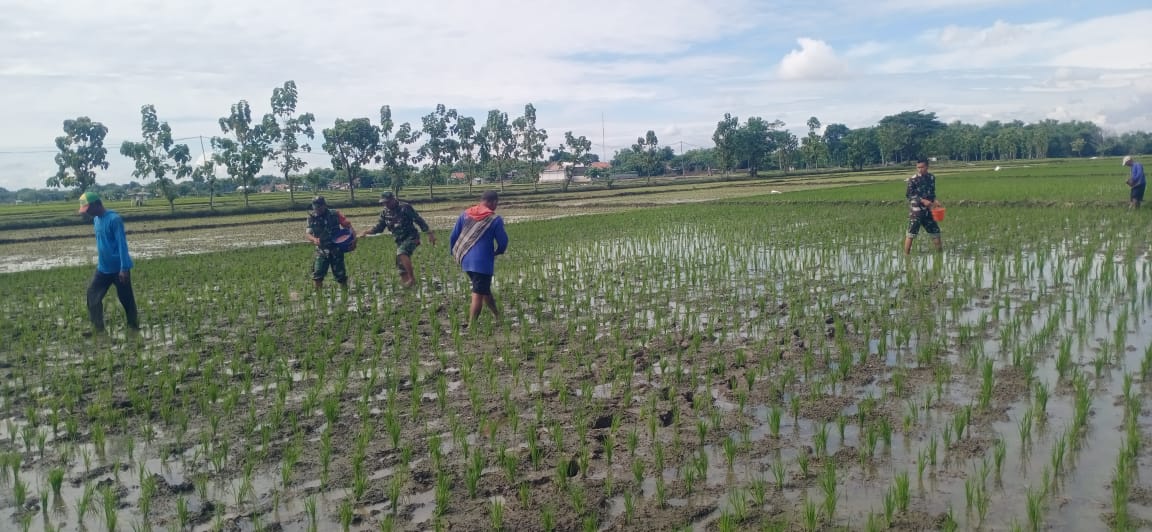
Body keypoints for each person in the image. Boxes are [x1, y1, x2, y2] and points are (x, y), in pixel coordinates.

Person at [78, 192, 140, 337]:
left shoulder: (114, 219)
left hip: (119, 269)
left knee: (126, 299)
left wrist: (124, 268)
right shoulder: (96, 220)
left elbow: (121, 244)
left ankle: (133, 326)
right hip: (103, 268)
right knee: (92, 295)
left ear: (96, 205)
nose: (86, 213)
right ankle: (98, 329)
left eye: (88, 209)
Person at [450, 190, 509, 327]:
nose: (496, 206)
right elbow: (503, 241)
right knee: (478, 293)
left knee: (484, 289)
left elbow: (453, 236)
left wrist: (454, 253)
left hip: (466, 260)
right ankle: (472, 325)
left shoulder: (465, 214)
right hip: (482, 263)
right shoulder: (495, 219)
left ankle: (498, 316)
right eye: (496, 203)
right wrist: (499, 251)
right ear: (493, 202)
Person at [361, 191, 436, 287]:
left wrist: (429, 233)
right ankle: (407, 286)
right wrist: (366, 232)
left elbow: (418, 220)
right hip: (399, 241)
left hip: (412, 237)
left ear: (394, 199)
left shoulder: (405, 207)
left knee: (402, 252)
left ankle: (412, 279)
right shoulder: (384, 213)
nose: (386, 204)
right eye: (384, 203)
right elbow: (379, 228)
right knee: (400, 265)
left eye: (387, 202)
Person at [306, 196, 354, 292]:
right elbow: (307, 233)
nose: (317, 210)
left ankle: (345, 294)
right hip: (322, 250)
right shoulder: (311, 218)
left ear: (324, 205)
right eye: (315, 208)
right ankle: (318, 297)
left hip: (336, 249)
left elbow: (348, 226)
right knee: (317, 274)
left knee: (340, 275)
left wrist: (353, 240)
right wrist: (314, 239)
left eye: (319, 207)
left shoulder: (335, 214)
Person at [903, 159, 943, 255]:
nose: (920, 169)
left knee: (935, 232)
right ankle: (906, 255)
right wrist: (922, 200)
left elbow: (932, 193)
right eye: (918, 167)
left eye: (922, 167)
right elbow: (909, 195)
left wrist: (935, 200)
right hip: (917, 212)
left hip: (929, 211)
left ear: (927, 167)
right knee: (911, 234)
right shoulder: (913, 179)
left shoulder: (931, 178)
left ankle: (940, 255)